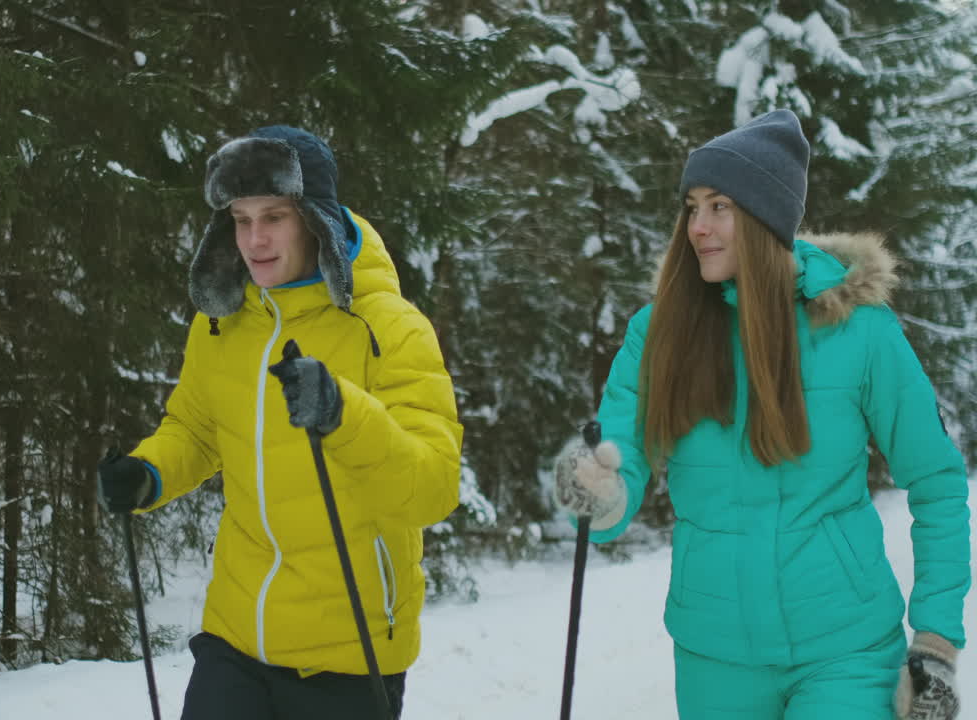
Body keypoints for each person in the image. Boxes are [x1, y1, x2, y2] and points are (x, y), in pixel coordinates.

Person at [551, 109, 970, 720]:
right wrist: (597, 486)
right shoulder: (660, 333)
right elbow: (621, 459)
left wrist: (935, 640)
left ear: (765, 216)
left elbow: (936, 480)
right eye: (692, 207)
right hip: (713, 654)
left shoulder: (859, 331)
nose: (698, 226)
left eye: (719, 205)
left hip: (845, 650)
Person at [97, 125, 462, 719]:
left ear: (315, 218)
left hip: (349, 650)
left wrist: (343, 416)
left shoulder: (387, 328)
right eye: (241, 219)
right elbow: (194, 428)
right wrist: (149, 473)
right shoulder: (223, 324)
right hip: (237, 636)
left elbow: (433, 487)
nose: (256, 240)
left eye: (274, 216)